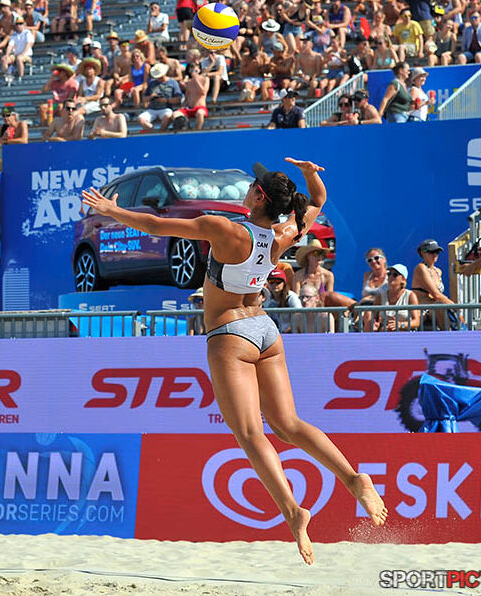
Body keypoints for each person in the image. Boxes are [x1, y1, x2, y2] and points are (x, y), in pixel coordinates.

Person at [81, 158, 387, 564]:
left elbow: (155, 226)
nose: (245, 188)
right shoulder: (283, 233)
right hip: (265, 330)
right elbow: (317, 200)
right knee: (289, 425)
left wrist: (111, 210)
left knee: (249, 433)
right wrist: (311, 173)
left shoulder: (224, 229)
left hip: (230, 332)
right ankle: (353, 478)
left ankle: (293, 512)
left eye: (251, 185)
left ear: (258, 196)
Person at [411, 238, 454, 329]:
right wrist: (455, 307)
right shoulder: (421, 268)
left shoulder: (438, 271)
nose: (435, 255)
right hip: (422, 309)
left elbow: (439, 297)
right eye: (431, 252)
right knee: (440, 306)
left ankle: (454, 332)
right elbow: (436, 295)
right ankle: (449, 334)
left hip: (435, 308)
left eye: (437, 252)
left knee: (442, 308)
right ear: (423, 252)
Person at [365, 263, 420, 332]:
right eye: (389, 274)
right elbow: (374, 318)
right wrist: (375, 325)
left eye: (395, 275)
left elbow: (416, 322)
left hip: (404, 334)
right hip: (384, 334)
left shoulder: (410, 295)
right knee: (368, 314)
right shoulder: (380, 296)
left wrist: (401, 325)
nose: (390, 277)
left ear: (403, 279)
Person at [263, 267, 302, 333]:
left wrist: (289, 329)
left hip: (290, 333)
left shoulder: (291, 297)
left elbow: (299, 315)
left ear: (284, 283)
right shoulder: (267, 297)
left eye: (278, 282)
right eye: (271, 282)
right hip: (273, 333)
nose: (275, 285)